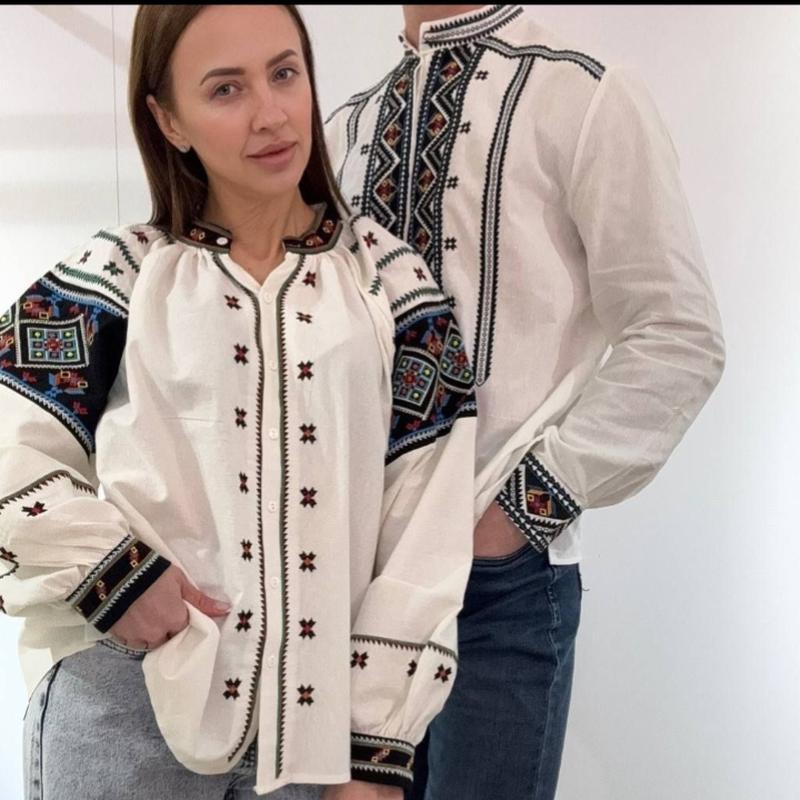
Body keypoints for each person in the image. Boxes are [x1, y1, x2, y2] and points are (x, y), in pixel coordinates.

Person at [0, 6, 478, 799]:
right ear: (168, 120)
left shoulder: (394, 286)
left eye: (284, 73)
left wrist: (376, 747)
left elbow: (426, 520)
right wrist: (113, 574)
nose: (271, 113)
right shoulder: (119, 274)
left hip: (314, 733)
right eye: (226, 89)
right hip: (124, 709)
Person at [325, 4, 726, 799]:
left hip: (497, 589)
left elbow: (678, 332)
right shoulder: (347, 127)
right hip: (357, 587)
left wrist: (517, 512)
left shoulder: (582, 93)